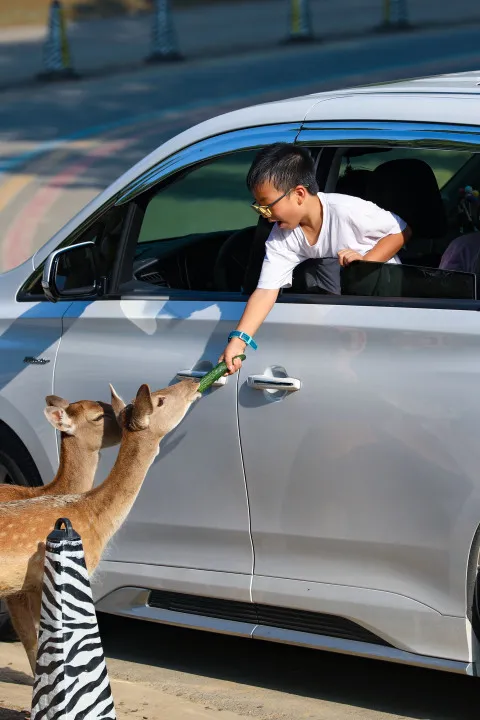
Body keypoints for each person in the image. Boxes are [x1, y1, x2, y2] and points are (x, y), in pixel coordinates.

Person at [220, 143, 411, 373]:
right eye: (260, 209)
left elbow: (401, 230)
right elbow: (265, 291)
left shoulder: (348, 210)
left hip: (384, 303)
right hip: (346, 322)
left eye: (268, 206)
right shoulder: (282, 237)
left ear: (299, 194)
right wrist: (239, 340)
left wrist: (365, 261)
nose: (266, 217)